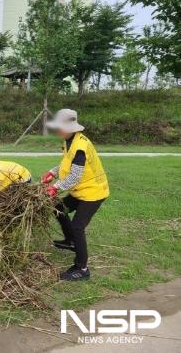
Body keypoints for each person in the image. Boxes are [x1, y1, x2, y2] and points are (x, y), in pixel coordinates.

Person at [41, 109, 109, 282]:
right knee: (58, 207)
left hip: (93, 192)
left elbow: (74, 176)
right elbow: (66, 165)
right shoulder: (69, 141)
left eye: (59, 127)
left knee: (78, 226)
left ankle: (82, 268)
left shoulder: (80, 147)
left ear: (70, 127)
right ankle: (70, 241)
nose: (57, 130)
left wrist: (54, 187)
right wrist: (52, 172)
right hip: (81, 191)